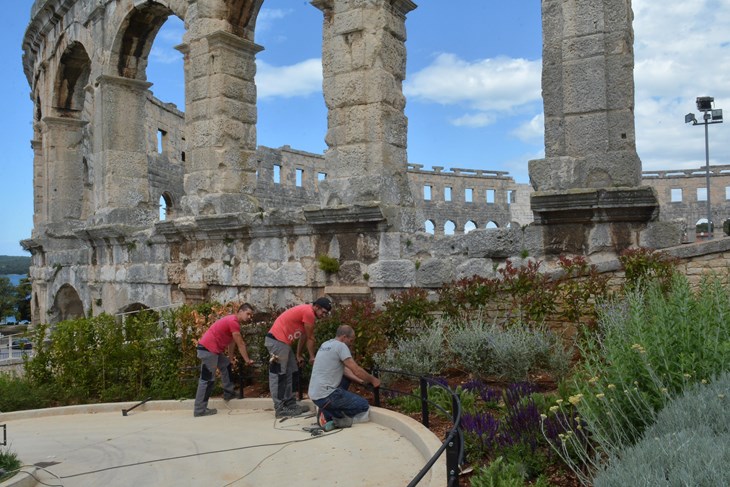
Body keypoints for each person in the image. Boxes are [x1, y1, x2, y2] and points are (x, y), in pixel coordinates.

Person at [265, 297, 332, 417]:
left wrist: (298, 354)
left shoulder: (307, 314)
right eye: (323, 312)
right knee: (279, 375)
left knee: (292, 371)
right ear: (316, 307)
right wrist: (312, 357)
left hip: (283, 343)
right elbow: (311, 338)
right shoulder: (309, 312)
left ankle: (290, 403)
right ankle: (280, 408)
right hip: (276, 341)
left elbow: (304, 336)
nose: (324, 315)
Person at [308, 325, 380, 429]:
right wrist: (373, 380)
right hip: (327, 396)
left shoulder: (326, 344)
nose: (351, 344)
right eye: (351, 341)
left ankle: (326, 413)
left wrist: (362, 382)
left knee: (346, 379)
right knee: (363, 405)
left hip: (315, 395)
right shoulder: (341, 346)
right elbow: (356, 370)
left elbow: (346, 371)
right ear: (344, 337)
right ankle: (336, 419)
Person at [193, 303, 255, 417]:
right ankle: (199, 410)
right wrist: (247, 360)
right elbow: (240, 343)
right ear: (240, 311)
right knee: (207, 380)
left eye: (251, 315)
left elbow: (232, 342)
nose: (249, 317)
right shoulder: (233, 321)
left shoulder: (233, 323)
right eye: (248, 314)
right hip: (208, 350)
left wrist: (230, 358)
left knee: (226, 364)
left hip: (213, 351)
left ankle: (228, 393)